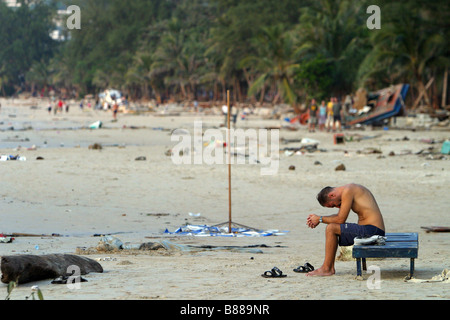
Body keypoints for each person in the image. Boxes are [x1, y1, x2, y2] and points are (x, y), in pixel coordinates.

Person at [306, 183, 385, 276]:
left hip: (372, 231)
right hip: (371, 230)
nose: (337, 206)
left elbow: (340, 219)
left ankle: (327, 269)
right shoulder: (350, 189)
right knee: (332, 226)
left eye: (333, 205)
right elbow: (338, 217)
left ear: (332, 195)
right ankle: (328, 268)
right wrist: (319, 219)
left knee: (331, 228)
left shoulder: (348, 190)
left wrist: (319, 219)